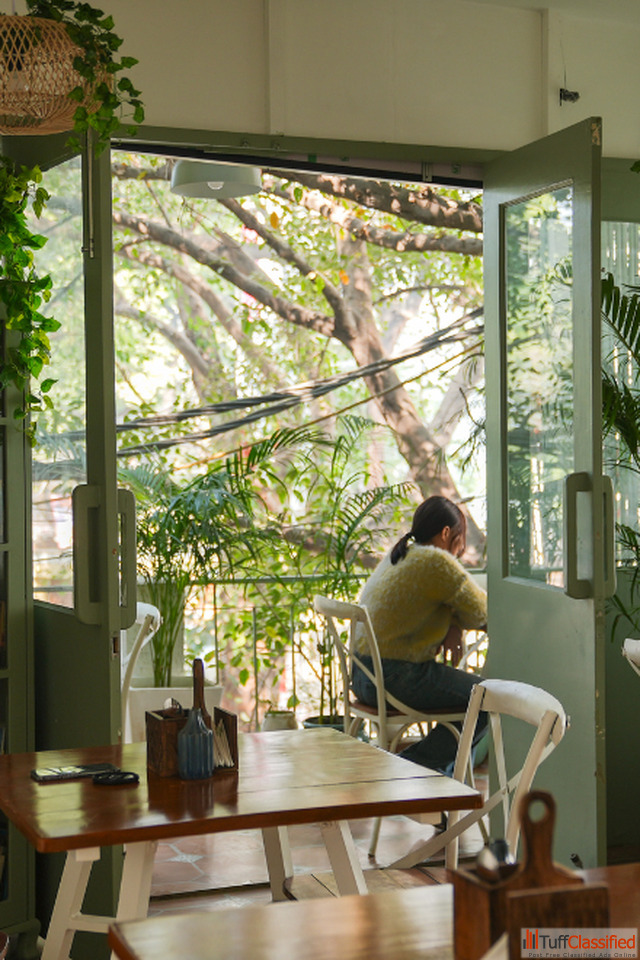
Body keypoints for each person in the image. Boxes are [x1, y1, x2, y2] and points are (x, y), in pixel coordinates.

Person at [352, 495, 487, 774]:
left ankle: (430, 773)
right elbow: (482, 613)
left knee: (477, 699)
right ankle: (415, 770)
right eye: (460, 539)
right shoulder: (435, 560)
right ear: (447, 533)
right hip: (397, 679)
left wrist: (452, 622)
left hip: (363, 676)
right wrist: (457, 620)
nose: (460, 549)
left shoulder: (399, 555)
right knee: (488, 700)